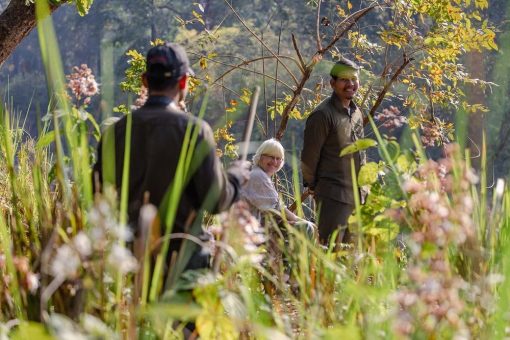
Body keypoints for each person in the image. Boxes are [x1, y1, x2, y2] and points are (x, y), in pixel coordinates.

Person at [93, 42, 249, 273]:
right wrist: (236, 176)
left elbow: (97, 196)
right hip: (185, 261)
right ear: (184, 81)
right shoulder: (195, 131)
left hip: (131, 262)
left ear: (145, 81)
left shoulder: (115, 133)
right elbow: (215, 201)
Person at [301, 58, 365, 245]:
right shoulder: (322, 115)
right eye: (344, 80)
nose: (350, 84)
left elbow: (361, 154)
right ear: (333, 83)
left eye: (354, 79)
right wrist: (313, 186)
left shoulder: (356, 113)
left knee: (352, 256)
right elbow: (309, 157)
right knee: (330, 251)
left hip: (357, 197)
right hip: (332, 197)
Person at [242, 139, 314, 236]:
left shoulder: (259, 174)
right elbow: (278, 209)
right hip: (250, 232)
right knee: (306, 228)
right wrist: (304, 222)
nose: (275, 161)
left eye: (278, 158)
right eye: (271, 157)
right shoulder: (258, 176)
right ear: (261, 157)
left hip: (258, 228)